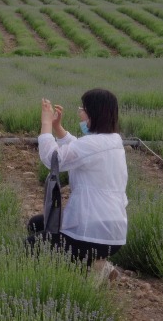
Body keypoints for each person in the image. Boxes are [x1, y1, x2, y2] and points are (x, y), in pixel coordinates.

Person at [28, 88, 128, 277]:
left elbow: (52, 158)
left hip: (92, 234)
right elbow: (79, 150)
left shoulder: (93, 144)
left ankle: (89, 271)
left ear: (93, 114)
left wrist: (46, 124)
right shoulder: (113, 140)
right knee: (37, 224)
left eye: (83, 108)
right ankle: (98, 266)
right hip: (112, 231)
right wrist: (58, 129)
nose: (79, 112)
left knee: (30, 248)